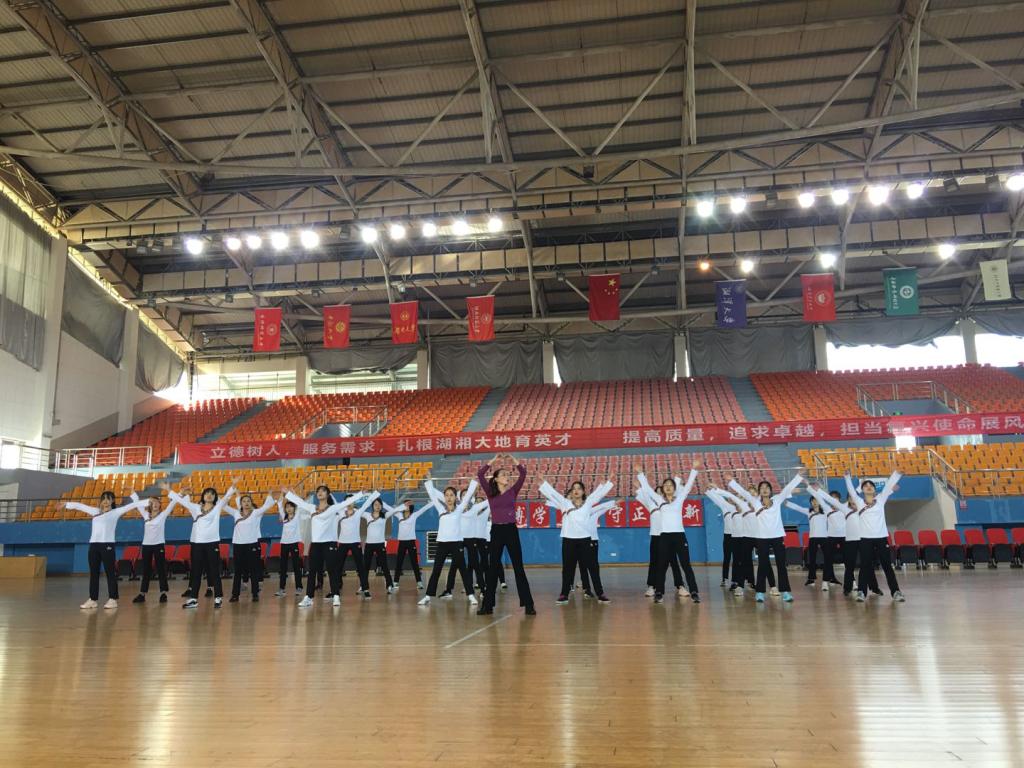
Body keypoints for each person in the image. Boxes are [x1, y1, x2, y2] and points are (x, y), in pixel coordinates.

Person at [63, 490, 147, 609]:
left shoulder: (115, 512)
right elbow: (80, 506)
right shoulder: (95, 512)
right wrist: (66, 504)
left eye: (109, 499)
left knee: (110, 573)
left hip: (107, 545)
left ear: (113, 501)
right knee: (94, 573)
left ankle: (113, 599)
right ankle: (93, 599)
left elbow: (133, 505)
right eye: (104, 499)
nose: (106, 501)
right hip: (94, 545)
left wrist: (149, 501)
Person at [537, 476, 613, 604]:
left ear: (583, 492)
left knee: (592, 568)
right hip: (569, 540)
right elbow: (554, 494)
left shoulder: (588, 503)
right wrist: (543, 483)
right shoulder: (565, 503)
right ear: (571, 492)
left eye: (579, 488)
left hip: (585, 540)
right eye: (574, 489)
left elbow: (598, 495)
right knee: (567, 569)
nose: (576, 491)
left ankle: (600, 593)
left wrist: (607, 483)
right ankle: (564, 594)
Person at [729, 473, 803, 603]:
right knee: (762, 565)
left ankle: (785, 592)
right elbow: (744, 493)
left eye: (767, 487)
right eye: (762, 488)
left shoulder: (777, 499)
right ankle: (760, 592)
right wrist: (732, 482)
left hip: (777, 537)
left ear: (770, 490)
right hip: (762, 538)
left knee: (781, 565)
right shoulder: (755, 502)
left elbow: (787, 488)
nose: (764, 489)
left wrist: (798, 476)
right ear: (759, 491)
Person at [287, 486, 367, 608]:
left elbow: (346, 502)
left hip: (329, 543)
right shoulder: (312, 508)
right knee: (312, 571)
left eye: (323, 491)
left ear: (328, 494)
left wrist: (361, 493)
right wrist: (289, 494)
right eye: (318, 491)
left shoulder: (333, 508)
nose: (320, 493)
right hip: (315, 544)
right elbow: (300, 503)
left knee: (332, 570)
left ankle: (336, 595)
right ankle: (309, 597)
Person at [477, 454, 535, 616]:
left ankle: (528, 604)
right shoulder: (490, 492)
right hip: (496, 531)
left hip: (511, 530)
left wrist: (513, 460)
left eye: (507, 475)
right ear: (496, 479)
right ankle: (487, 606)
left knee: (518, 567)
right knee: (492, 568)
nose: (506, 477)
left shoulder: (512, 491)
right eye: (503, 474)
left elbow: (523, 473)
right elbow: (480, 475)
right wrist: (493, 460)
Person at [168, 479, 238, 609]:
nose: (209, 495)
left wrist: (233, 485)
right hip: (197, 544)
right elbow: (181, 501)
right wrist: (170, 490)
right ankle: (193, 599)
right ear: (203, 496)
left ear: (215, 497)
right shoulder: (195, 508)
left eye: (212, 494)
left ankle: (218, 598)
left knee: (214, 571)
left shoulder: (217, 507)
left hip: (212, 543)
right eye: (207, 493)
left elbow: (227, 496)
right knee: (196, 571)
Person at [638, 462, 701, 604]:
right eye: (665, 485)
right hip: (665, 537)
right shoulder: (659, 500)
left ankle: (694, 591)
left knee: (686, 565)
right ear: (663, 489)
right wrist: (640, 474)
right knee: (661, 565)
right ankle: (659, 592)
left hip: (679, 536)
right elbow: (647, 490)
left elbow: (688, 486)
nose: (668, 487)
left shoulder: (680, 499)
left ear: (674, 488)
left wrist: (693, 469)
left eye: (671, 485)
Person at [419, 478, 479, 606]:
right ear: (444, 498)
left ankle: (471, 595)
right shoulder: (441, 509)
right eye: (446, 495)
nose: (449, 498)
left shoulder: (460, 509)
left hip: (456, 544)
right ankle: (428, 596)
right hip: (442, 544)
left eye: (451, 495)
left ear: (455, 497)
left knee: (463, 570)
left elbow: (468, 495)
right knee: (436, 570)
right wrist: (429, 481)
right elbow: (432, 495)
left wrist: (473, 482)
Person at [847, 471, 905, 603]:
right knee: (865, 566)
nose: (868, 487)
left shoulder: (880, 499)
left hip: (881, 538)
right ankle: (862, 592)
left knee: (887, 566)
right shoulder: (859, 502)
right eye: (865, 485)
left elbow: (888, 486)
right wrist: (847, 477)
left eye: (871, 486)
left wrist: (897, 474)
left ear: (874, 490)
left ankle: (896, 592)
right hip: (865, 539)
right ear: (862, 490)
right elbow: (851, 490)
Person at [635, 463, 687, 598]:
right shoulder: (650, 503)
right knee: (655, 562)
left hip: (669, 535)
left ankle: (680, 585)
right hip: (656, 536)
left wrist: (677, 478)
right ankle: (652, 586)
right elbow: (644, 491)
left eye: (660, 491)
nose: (658, 493)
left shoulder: (671, 503)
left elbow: (677, 489)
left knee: (674, 562)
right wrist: (641, 480)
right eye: (656, 491)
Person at [132, 491, 184, 604]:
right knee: (146, 570)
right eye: (153, 502)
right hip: (146, 546)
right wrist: (132, 493)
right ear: (150, 505)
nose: (155, 504)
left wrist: (180, 494)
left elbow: (172, 504)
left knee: (161, 569)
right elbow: (137, 503)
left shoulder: (163, 515)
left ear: (160, 505)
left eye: (157, 502)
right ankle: (142, 593)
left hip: (158, 545)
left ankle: (163, 593)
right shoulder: (146, 515)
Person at [226, 493, 275, 603]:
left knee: (253, 570)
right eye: (244, 501)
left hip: (252, 544)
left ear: (251, 503)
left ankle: (255, 594)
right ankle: (235, 595)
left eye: (248, 501)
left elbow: (267, 506)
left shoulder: (255, 513)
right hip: (238, 545)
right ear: (240, 504)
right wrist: (230, 493)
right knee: (238, 571)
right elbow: (223, 505)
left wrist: (270, 496)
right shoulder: (235, 513)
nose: (246, 503)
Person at [785, 489, 836, 590]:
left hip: (824, 537)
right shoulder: (808, 511)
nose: (814, 502)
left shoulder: (826, 511)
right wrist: (787, 502)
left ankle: (827, 580)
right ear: (811, 503)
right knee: (811, 559)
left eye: (816, 500)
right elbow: (797, 507)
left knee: (828, 559)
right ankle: (811, 579)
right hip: (813, 538)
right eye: (812, 501)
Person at [338, 490, 380, 599]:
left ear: (354, 502)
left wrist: (375, 493)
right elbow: (332, 502)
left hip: (355, 542)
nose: (349, 503)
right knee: (338, 567)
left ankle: (365, 589)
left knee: (361, 567)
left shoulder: (358, 511)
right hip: (342, 543)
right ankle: (336, 588)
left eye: (351, 501)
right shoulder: (340, 512)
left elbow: (368, 502)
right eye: (347, 501)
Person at [706, 485, 741, 589]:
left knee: (737, 559)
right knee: (727, 558)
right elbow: (717, 499)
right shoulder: (724, 507)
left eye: (733, 498)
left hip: (737, 536)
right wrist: (709, 491)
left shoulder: (740, 508)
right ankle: (724, 579)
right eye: (729, 498)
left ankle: (735, 580)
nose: (731, 499)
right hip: (727, 536)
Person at [362, 497, 399, 594]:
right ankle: (364, 587)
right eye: (375, 504)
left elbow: (394, 510)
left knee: (384, 566)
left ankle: (389, 585)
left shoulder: (384, 515)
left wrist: (403, 506)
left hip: (380, 544)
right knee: (366, 567)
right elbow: (359, 510)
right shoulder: (367, 515)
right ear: (372, 506)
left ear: (382, 506)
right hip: (369, 545)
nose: (377, 506)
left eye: (379, 504)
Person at [393, 499, 429, 589]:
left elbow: (423, 509)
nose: (406, 506)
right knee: (399, 562)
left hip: (411, 542)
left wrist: (432, 502)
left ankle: (419, 582)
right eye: (405, 504)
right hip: (402, 542)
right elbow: (390, 509)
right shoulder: (399, 515)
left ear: (411, 506)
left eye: (408, 504)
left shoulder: (414, 515)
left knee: (414, 563)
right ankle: (395, 582)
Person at [275, 495, 306, 596]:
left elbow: (300, 503)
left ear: (294, 508)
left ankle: (299, 587)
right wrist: (281, 497)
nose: (288, 509)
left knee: (296, 566)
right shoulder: (284, 517)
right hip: (284, 544)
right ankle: (281, 589)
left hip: (294, 544)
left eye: (290, 507)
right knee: (283, 568)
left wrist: (292, 494)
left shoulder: (297, 516)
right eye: (287, 507)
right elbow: (279, 505)